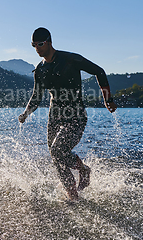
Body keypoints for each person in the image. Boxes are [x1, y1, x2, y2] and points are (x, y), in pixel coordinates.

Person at [18, 27, 117, 201]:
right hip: (54, 116)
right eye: (33, 45)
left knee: (57, 150)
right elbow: (37, 95)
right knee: (56, 155)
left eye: (40, 44)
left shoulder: (70, 59)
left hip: (76, 115)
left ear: (49, 41)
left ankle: (79, 181)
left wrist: (107, 99)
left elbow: (99, 71)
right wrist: (26, 113)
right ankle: (74, 190)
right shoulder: (40, 69)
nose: (37, 48)